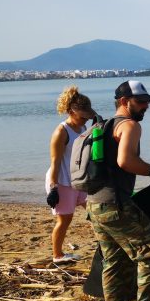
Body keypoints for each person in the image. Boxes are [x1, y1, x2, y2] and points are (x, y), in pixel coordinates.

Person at [86, 80, 150, 301]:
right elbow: (126, 161)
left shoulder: (103, 126)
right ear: (124, 102)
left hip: (95, 205)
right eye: (141, 102)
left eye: (148, 101)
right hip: (116, 204)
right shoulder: (130, 125)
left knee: (114, 261)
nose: (146, 106)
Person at [45, 86, 95, 264]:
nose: (85, 118)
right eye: (82, 115)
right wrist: (53, 188)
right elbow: (55, 161)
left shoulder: (83, 127)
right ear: (69, 111)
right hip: (63, 182)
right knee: (65, 220)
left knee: (94, 212)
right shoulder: (61, 131)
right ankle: (57, 255)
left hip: (80, 180)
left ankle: (104, 246)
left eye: (87, 115)